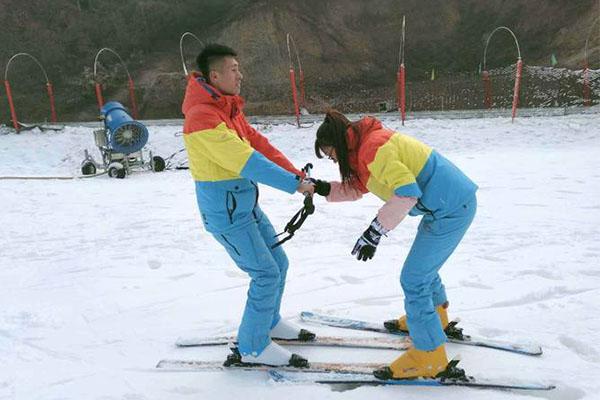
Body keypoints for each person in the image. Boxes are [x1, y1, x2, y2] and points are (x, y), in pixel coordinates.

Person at [311, 110, 478, 379]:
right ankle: (436, 319)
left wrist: (374, 232)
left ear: (340, 144)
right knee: (422, 270)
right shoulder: (362, 149)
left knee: (414, 278)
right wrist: (320, 188)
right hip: (444, 205)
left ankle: (429, 355)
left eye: (331, 155)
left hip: (453, 208)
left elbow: (407, 192)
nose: (333, 160)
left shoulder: (372, 148)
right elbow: (356, 189)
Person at [181, 44, 315, 367]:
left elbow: (259, 145)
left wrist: (295, 174)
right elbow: (247, 160)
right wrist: (294, 185)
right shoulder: (202, 118)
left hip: (243, 203)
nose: (240, 74)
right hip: (226, 213)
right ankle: (253, 346)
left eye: (239, 68)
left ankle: (268, 323)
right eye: (233, 69)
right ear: (215, 75)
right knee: (265, 273)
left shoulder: (227, 108)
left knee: (278, 264)